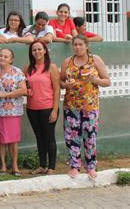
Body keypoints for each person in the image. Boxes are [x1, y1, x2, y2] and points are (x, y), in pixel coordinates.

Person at [60, 35, 110, 179]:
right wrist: (66, 85)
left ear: (87, 45)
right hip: (71, 106)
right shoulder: (67, 62)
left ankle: (91, 166)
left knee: (90, 137)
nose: (78, 47)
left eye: (81, 44)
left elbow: (107, 81)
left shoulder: (95, 60)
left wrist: (96, 80)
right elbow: (61, 81)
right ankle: (75, 166)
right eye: (75, 44)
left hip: (90, 106)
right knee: (71, 136)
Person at [24, 41, 60, 175]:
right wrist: (27, 90)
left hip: (48, 107)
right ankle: (42, 165)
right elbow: (25, 85)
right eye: (34, 50)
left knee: (49, 137)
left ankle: (51, 167)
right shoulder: (28, 68)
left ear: (45, 50)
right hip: (32, 108)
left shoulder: (51, 67)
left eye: (39, 49)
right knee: (39, 137)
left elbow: (57, 90)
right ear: (31, 52)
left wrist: (55, 110)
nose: (37, 52)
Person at [0, 48, 27, 176]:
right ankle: (2, 166)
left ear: (11, 59)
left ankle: (14, 166)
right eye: (0, 55)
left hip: (14, 111)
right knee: (1, 139)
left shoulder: (17, 72)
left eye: (6, 56)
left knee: (13, 140)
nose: (2, 58)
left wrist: (5, 94)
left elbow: (24, 90)